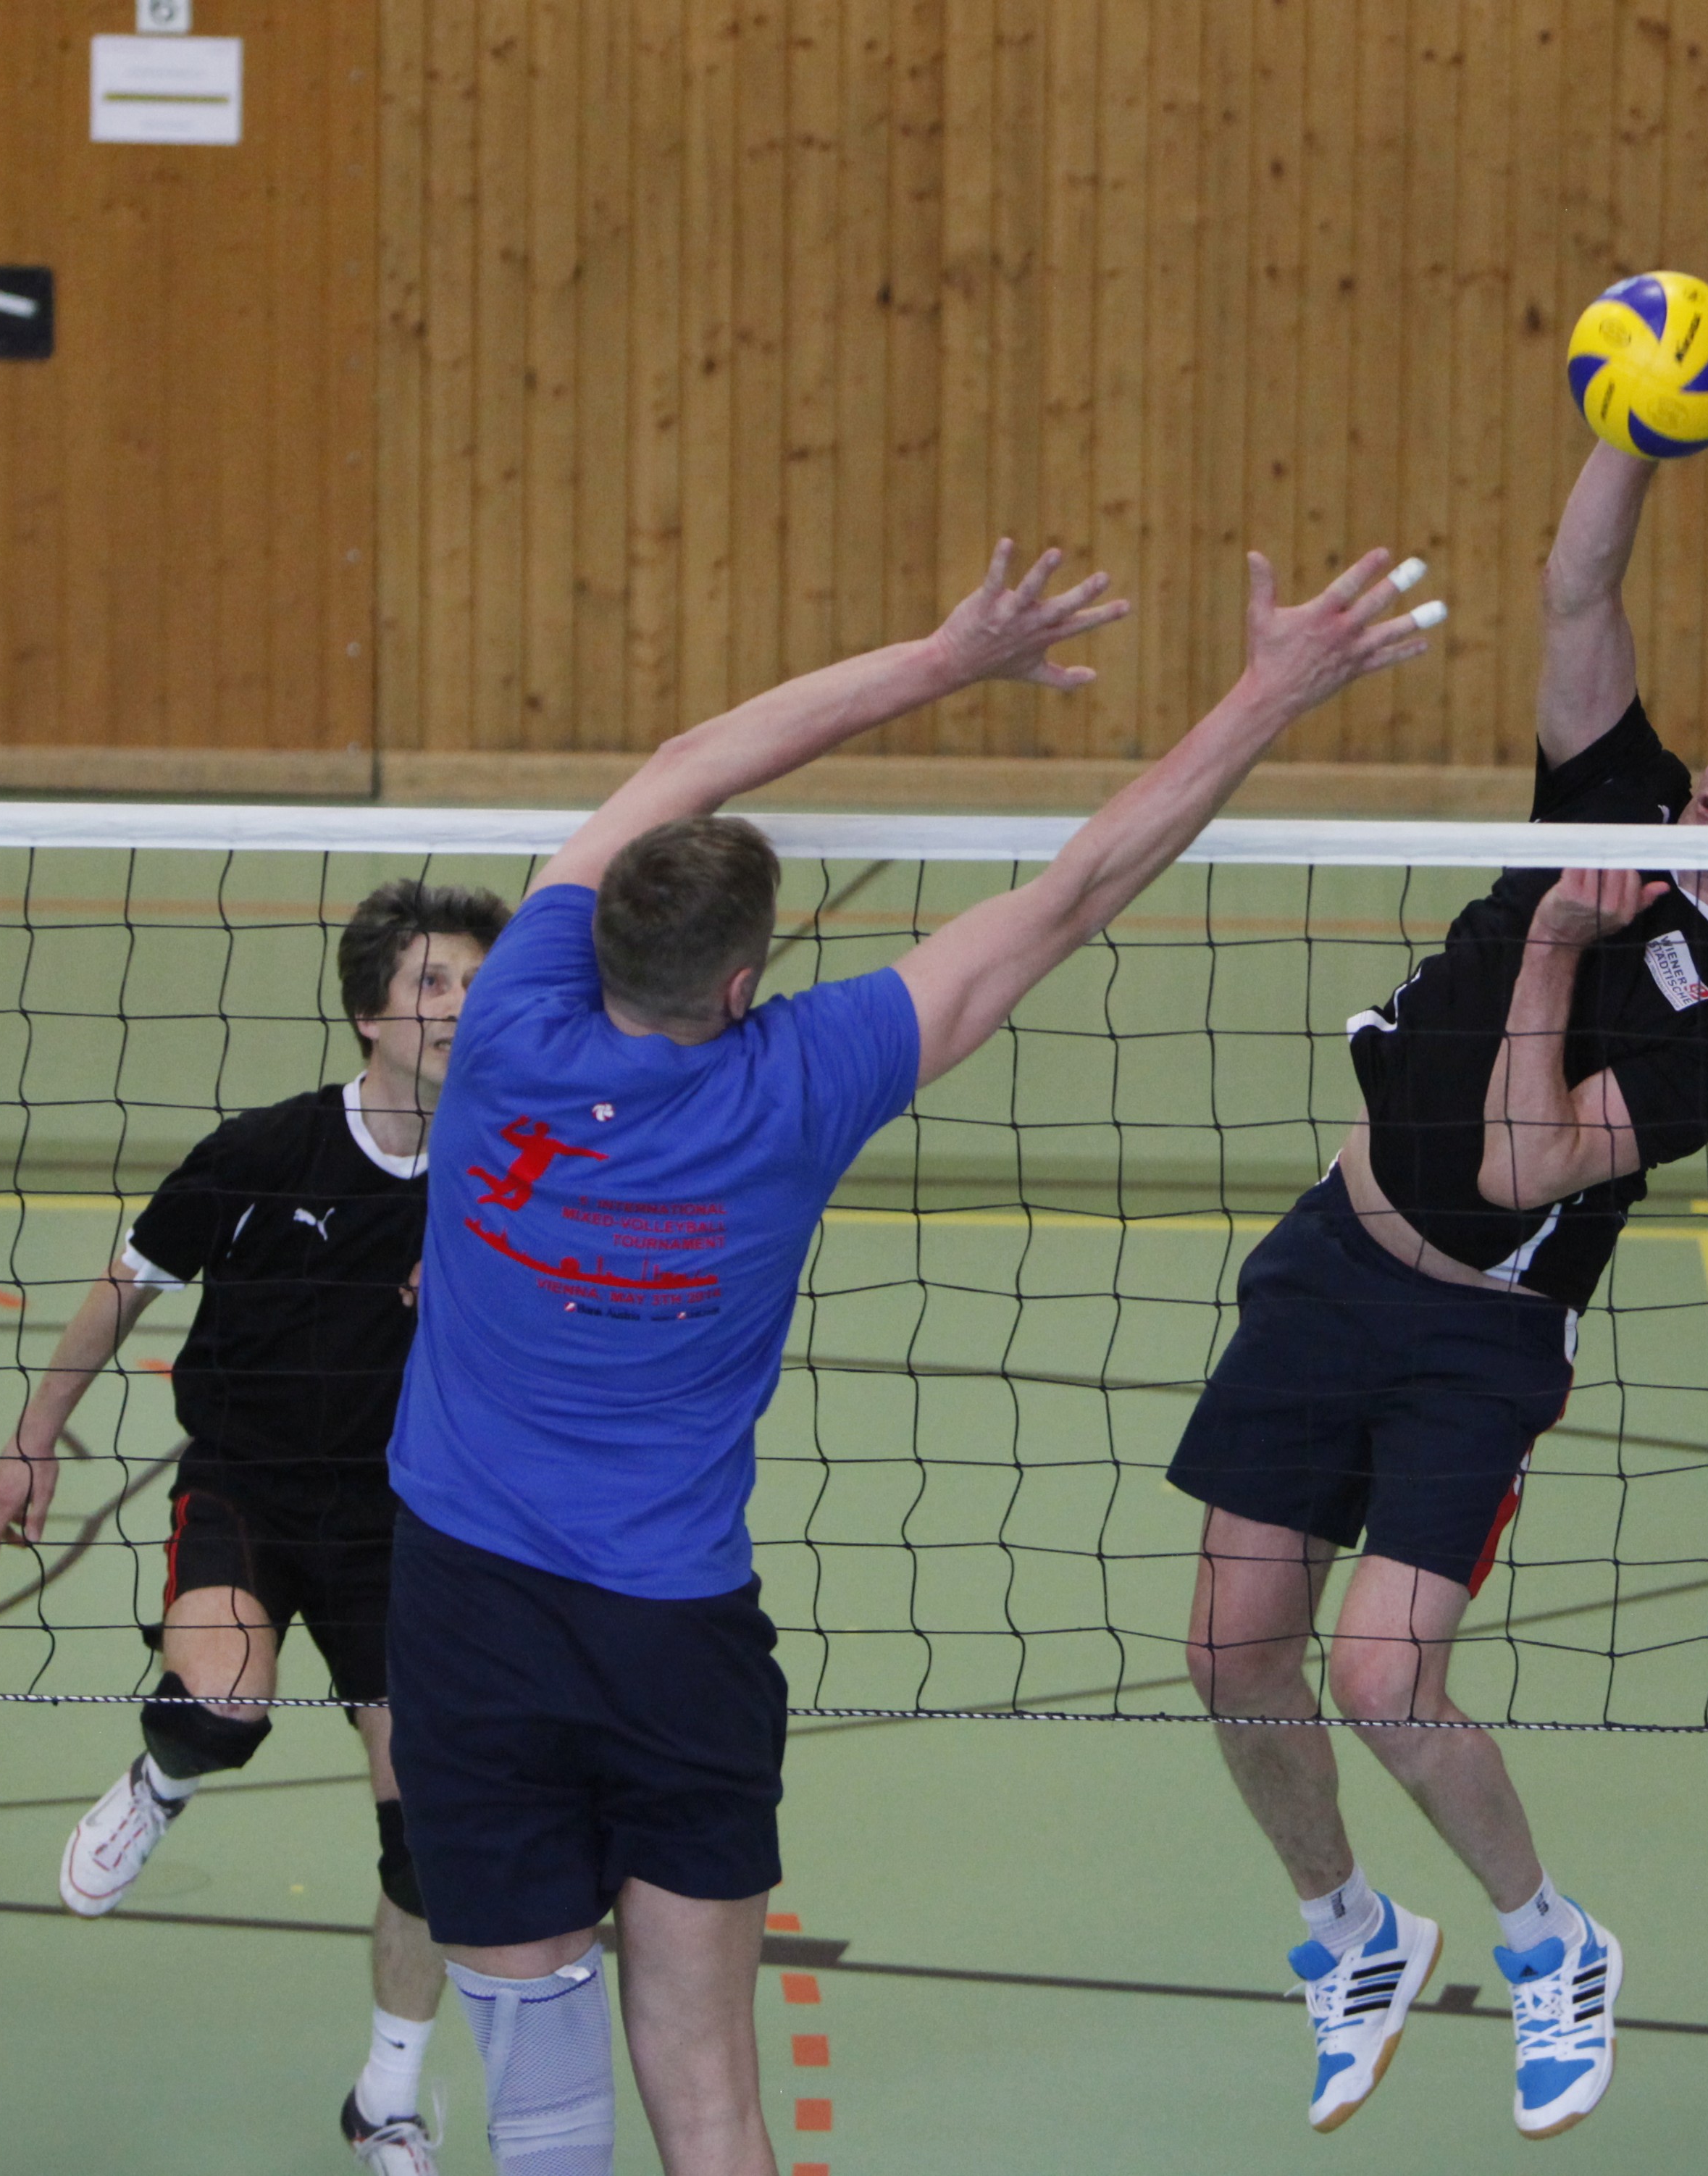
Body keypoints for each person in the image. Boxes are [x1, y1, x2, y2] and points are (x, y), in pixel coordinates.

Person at [382, 535, 1443, 2176]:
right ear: (746, 982)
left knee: (542, 2101)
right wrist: (1269, 688)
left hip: (464, 1613)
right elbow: (1074, 891)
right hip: (671, 1641)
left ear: (597, 936)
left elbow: (688, 757)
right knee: (710, 2094)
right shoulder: (804, 1077)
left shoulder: (511, 1011)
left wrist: (942, 658)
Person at [1169, 438, 1708, 2141]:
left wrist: (1560, 946)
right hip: (1331, 1260)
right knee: (1230, 1650)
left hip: (1479, 1340)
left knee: (1382, 1678)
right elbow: (1578, 587)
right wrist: (1633, 425)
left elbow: (1522, 1164)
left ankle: (1550, 1938)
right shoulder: (1616, 798)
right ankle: (1352, 1927)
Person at [0, 877, 511, 2176]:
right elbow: (127, 1286)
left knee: (431, 1839)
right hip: (247, 1485)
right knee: (220, 1711)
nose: (459, 1006)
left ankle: (386, 2100)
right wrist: (35, 1435)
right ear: (370, 1014)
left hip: (403, 1519)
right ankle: (162, 1782)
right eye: (433, 983)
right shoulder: (264, 1153)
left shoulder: (513, 1176)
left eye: (477, 983)